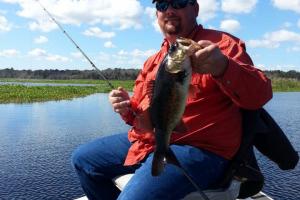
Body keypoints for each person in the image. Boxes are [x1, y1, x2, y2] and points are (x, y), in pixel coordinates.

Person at [71, 0, 273, 199]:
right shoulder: (153, 61)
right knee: (83, 159)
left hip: (201, 149)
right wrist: (127, 107)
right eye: (161, 5)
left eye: (178, 2)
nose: (169, 10)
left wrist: (223, 67)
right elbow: (146, 116)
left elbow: (259, 96)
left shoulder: (222, 45)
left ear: (195, 8)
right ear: (157, 14)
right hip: (151, 141)